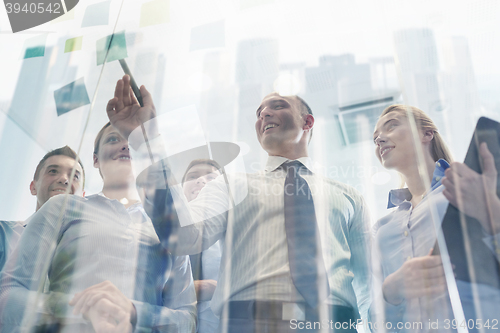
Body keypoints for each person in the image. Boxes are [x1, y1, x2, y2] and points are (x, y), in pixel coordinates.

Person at [102, 75, 371, 332]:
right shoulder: (231, 184)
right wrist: (146, 142)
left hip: (335, 321)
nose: (264, 114)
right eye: (259, 112)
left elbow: (368, 280)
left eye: (278, 106)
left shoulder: (349, 196)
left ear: (308, 121)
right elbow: (184, 236)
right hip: (249, 321)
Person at [0, 122, 196, 333]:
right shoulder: (62, 208)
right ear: (95, 159)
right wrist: (79, 309)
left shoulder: (167, 228)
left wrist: (135, 312)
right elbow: (8, 294)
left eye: (133, 142)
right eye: (114, 139)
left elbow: (188, 319)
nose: (125, 146)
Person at [371, 104, 500, 332]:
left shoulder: (469, 191)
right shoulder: (383, 229)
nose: (379, 139)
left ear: (427, 133)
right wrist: (390, 290)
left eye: (391, 126)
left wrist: (492, 215)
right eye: (375, 137)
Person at [0, 146, 85, 272]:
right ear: (33, 187)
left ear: (83, 198)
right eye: (53, 171)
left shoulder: (87, 253)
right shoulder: (3, 235)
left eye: (75, 176)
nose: (64, 179)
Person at [182, 159, 223, 333]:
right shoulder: (161, 230)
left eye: (211, 178)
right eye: (192, 176)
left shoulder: (235, 233)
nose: (200, 180)